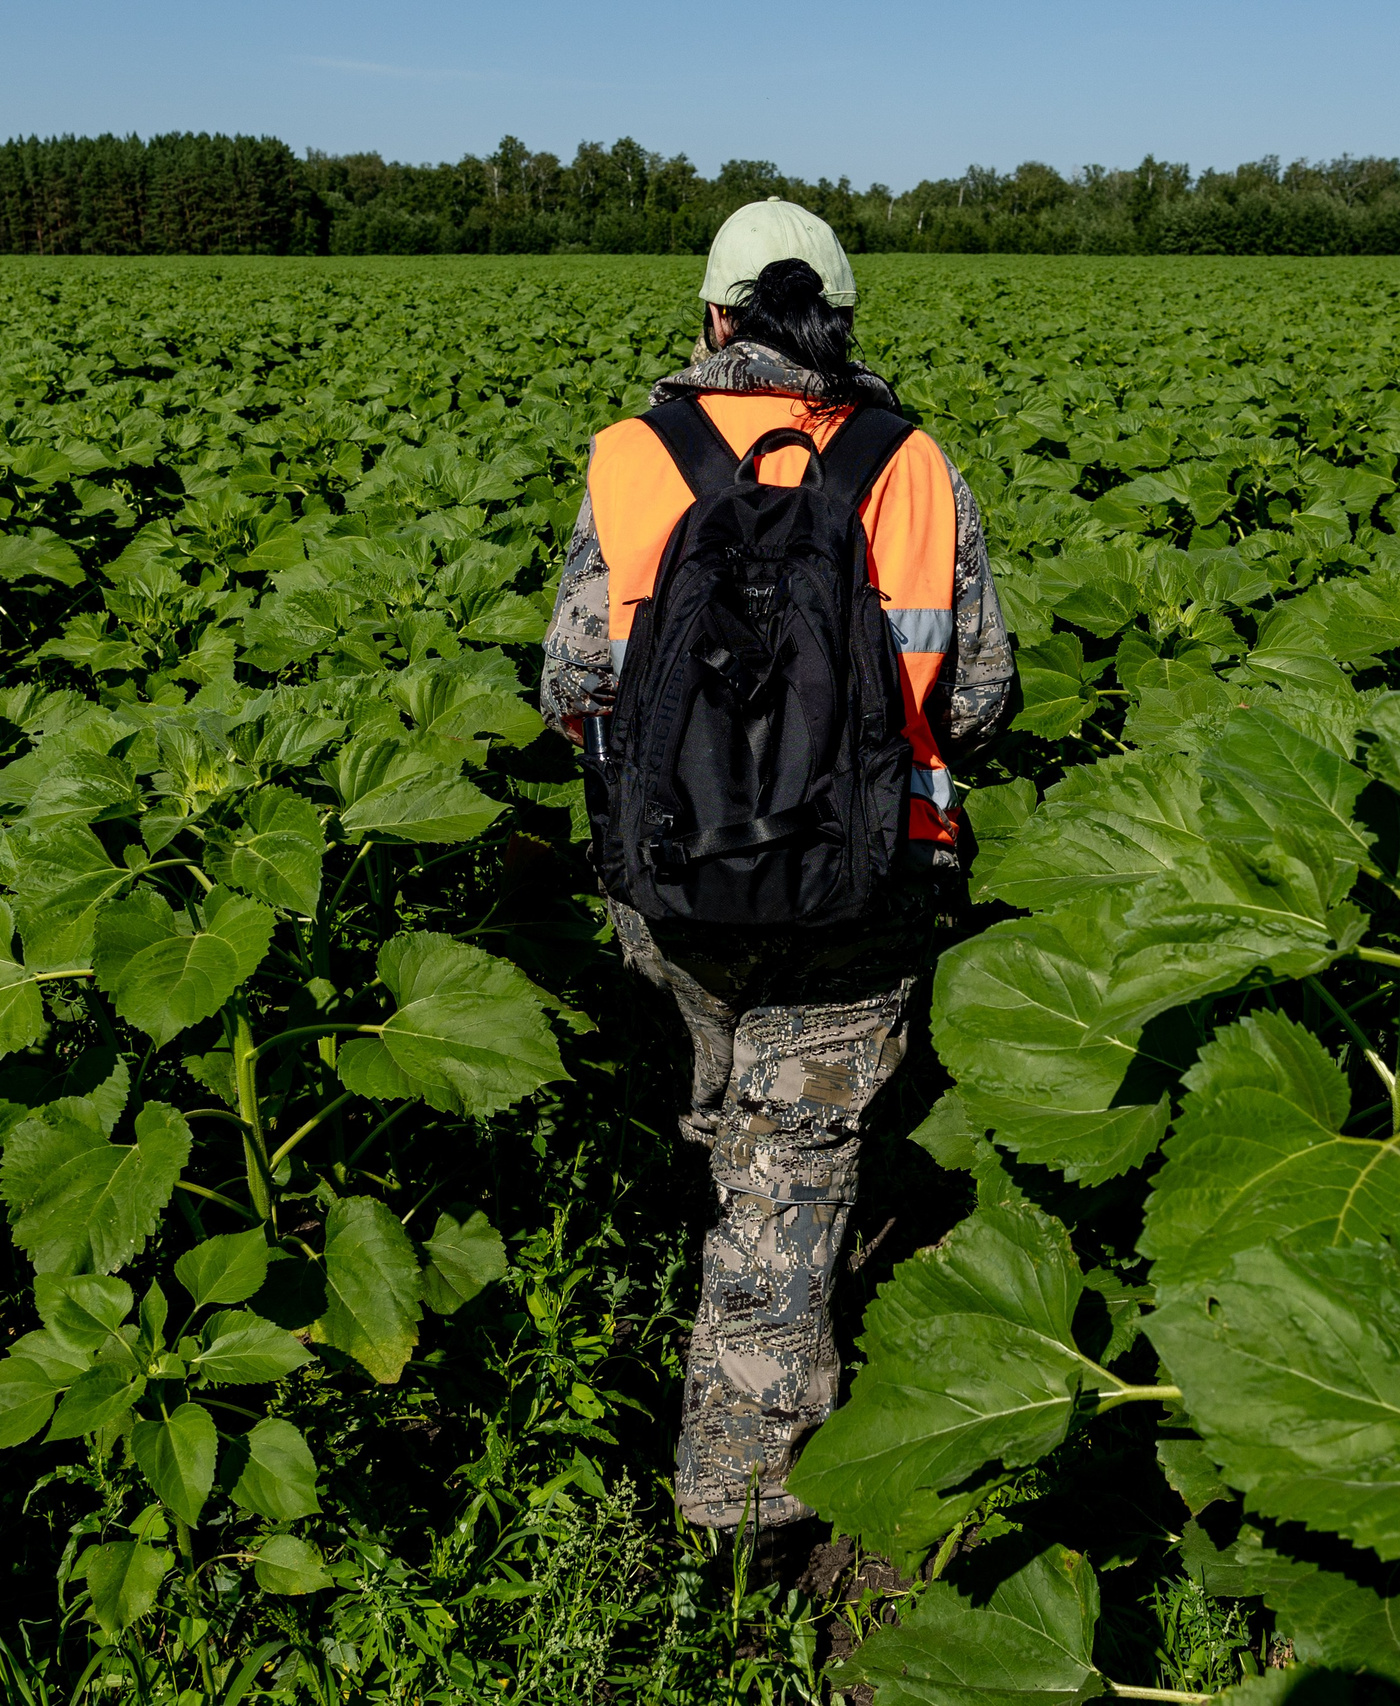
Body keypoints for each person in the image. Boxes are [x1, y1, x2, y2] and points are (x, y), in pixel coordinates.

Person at [537, 198, 1016, 1546]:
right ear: (839, 324)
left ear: (712, 319)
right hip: (854, 893)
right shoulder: (915, 467)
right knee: (789, 1173)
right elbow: (980, 699)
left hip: (678, 892)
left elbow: (569, 685)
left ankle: (722, 1476)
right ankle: (741, 1516)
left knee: (732, 1133)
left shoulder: (634, 462)